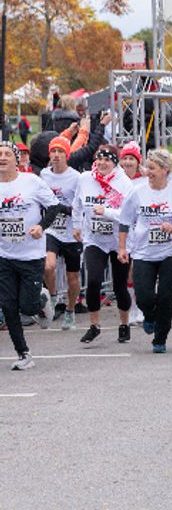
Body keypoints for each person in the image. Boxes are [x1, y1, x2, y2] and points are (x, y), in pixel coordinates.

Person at [0, 141, 63, 369]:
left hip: (31, 255)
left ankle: (42, 299)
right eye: (0, 154)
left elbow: (55, 207)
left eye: (8, 154)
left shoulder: (32, 182)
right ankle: (23, 354)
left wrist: (41, 226)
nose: (3, 158)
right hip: (4, 256)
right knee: (8, 306)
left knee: (27, 307)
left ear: (17, 160)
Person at [117, 150, 172, 353]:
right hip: (143, 252)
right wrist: (122, 248)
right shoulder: (137, 191)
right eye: (148, 167)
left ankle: (160, 338)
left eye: (153, 168)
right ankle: (149, 315)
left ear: (165, 170)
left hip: (170, 253)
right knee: (144, 295)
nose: (148, 171)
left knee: (165, 297)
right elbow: (124, 220)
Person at [72, 146, 133, 344]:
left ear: (115, 163)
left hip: (119, 241)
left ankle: (124, 324)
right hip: (94, 240)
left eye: (107, 160)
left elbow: (128, 215)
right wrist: (77, 226)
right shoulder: (85, 179)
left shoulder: (123, 183)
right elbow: (77, 204)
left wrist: (105, 211)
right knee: (93, 281)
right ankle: (94, 325)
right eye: (99, 159)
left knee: (119, 286)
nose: (102, 163)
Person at [40, 136, 82, 328]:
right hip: (52, 231)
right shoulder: (44, 175)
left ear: (67, 155)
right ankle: (54, 296)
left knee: (72, 278)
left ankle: (70, 310)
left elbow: (79, 206)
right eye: (53, 151)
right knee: (48, 266)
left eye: (60, 152)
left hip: (71, 232)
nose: (56, 155)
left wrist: (62, 209)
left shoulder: (76, 177)